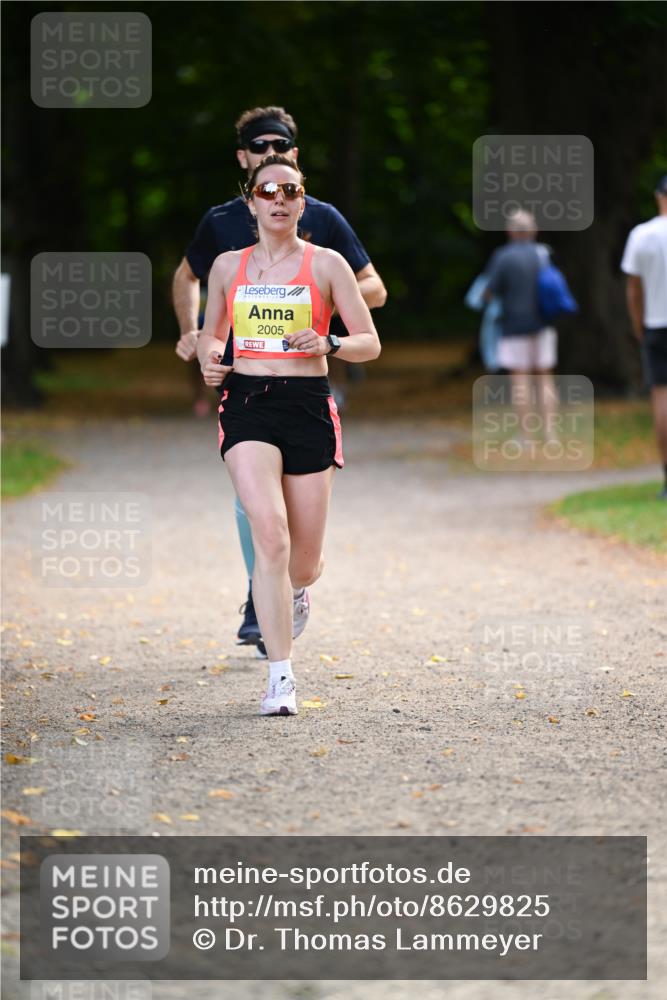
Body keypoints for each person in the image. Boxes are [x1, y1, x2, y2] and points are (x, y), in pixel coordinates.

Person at [173, 106, 386, 651]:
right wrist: (199, 341)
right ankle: (261, 596)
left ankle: (289, 584)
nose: (278, 192)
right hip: (248, 391)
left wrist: (324, 315)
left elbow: (375, 293)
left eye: (283, 148)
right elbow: (189, 281)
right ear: (244, 166)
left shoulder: (324, 224)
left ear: (297, 160)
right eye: (261, 149)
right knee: (261, 513)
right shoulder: (221, 225)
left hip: (307, 388)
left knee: (304, 558)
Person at [484, 209, 559, 446]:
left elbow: (488, 293)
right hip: (544, 325)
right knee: (545, 378)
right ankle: (550, 435)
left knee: (520, 381)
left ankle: (526, 437)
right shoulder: (543, 254)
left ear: (510, 231)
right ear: (534, 230)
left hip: (514, 326)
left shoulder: (503, 256)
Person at [621, 175, 667, 499]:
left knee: (662, 399)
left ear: (658, 196)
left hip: (657, 323)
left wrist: (639, 326)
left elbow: (633, 289)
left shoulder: (642, 235)